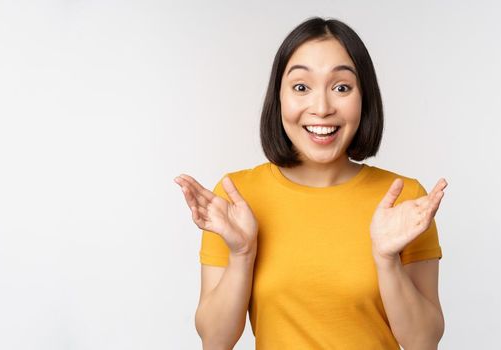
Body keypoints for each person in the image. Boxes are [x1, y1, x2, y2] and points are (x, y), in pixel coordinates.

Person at [173, 17, 448, 350]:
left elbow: (424, 343)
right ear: (279, 97)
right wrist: (242, 254)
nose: (321, 108)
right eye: (301, 87)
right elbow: (215, 341)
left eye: (341, 87)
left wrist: (387, 261)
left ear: (365, 97)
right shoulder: (237, 197)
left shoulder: (405, 199)